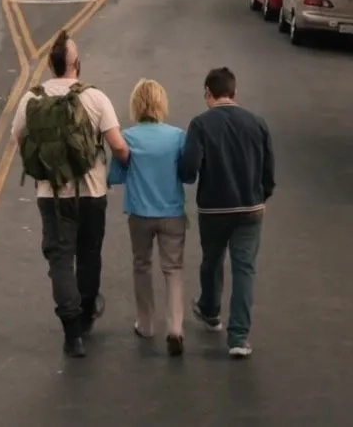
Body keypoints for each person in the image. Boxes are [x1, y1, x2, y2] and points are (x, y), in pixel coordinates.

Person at [11, 32, 129, 358]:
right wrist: (128, 163)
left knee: (60, 259)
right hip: (92, 192)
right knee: (89, 253)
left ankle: (71, 331)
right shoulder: (95, 98)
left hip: (51, 195)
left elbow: (19, 140)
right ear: (76, 63)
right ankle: (88, 312)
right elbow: (118, 146)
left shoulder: (31, 99)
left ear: (50, 65)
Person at [178, 66, 274, 358]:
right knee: (244, 269)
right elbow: (269, 174)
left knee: (212, 261)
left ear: (208, 93)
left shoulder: (200, 125)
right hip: (250, 209)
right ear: (235, 93)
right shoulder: (257, 123)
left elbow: (189, 172)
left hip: (214, 209)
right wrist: (261, 197)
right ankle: (239, 338)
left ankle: (210, 310)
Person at [106, 79, 189, 357]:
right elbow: (186, 173)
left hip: (140, 213)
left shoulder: (128, 137)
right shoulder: (178, 136)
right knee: (173, 269)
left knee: (142, 265)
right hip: (172, 212)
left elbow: (116, 176)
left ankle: (146, 323)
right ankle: (175, 327)